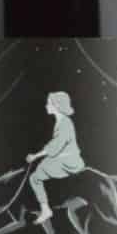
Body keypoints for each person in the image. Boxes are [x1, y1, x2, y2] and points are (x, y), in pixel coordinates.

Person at [26, 91, 85, 224]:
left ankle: (45, 209)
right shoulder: (62, 121)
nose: (46, 105)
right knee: (43, 164)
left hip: (68, 162)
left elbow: (55, 146)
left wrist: (35, 156)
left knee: (34, 177)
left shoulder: (64, 123)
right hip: (64, 158)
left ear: (57, 106)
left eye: (49, 103)